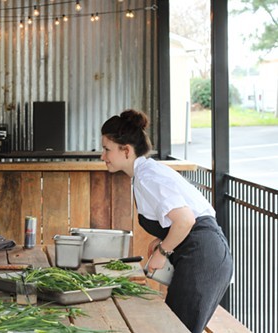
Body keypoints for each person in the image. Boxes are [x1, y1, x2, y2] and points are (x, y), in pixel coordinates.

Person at [100, 109, 233, 333]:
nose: (102, 156)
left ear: (126, 150)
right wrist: (161, 239)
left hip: (202, 257)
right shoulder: (146, 173)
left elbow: (186, 219)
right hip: (204, 252)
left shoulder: (148, 177)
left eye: (106, 149)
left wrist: (162, 252)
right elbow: (181, 218)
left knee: (174, 329)